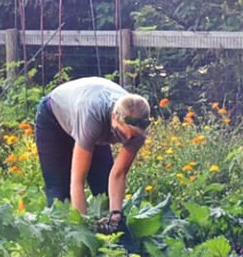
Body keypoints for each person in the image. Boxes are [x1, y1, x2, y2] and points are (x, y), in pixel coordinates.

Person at [34, 76, 153, 216]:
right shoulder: (92, 119)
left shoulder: (138, 129)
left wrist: (115, 215)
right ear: (114, 118)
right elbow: (77, 181)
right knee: (60, 195)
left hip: (90, 119)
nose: (127, 139)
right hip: (54, 118)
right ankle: (61, 236)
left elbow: (119, 175)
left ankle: (110, 232)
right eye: (121, 133)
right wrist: (82, 225)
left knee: (104, 191)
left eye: (132, 136)